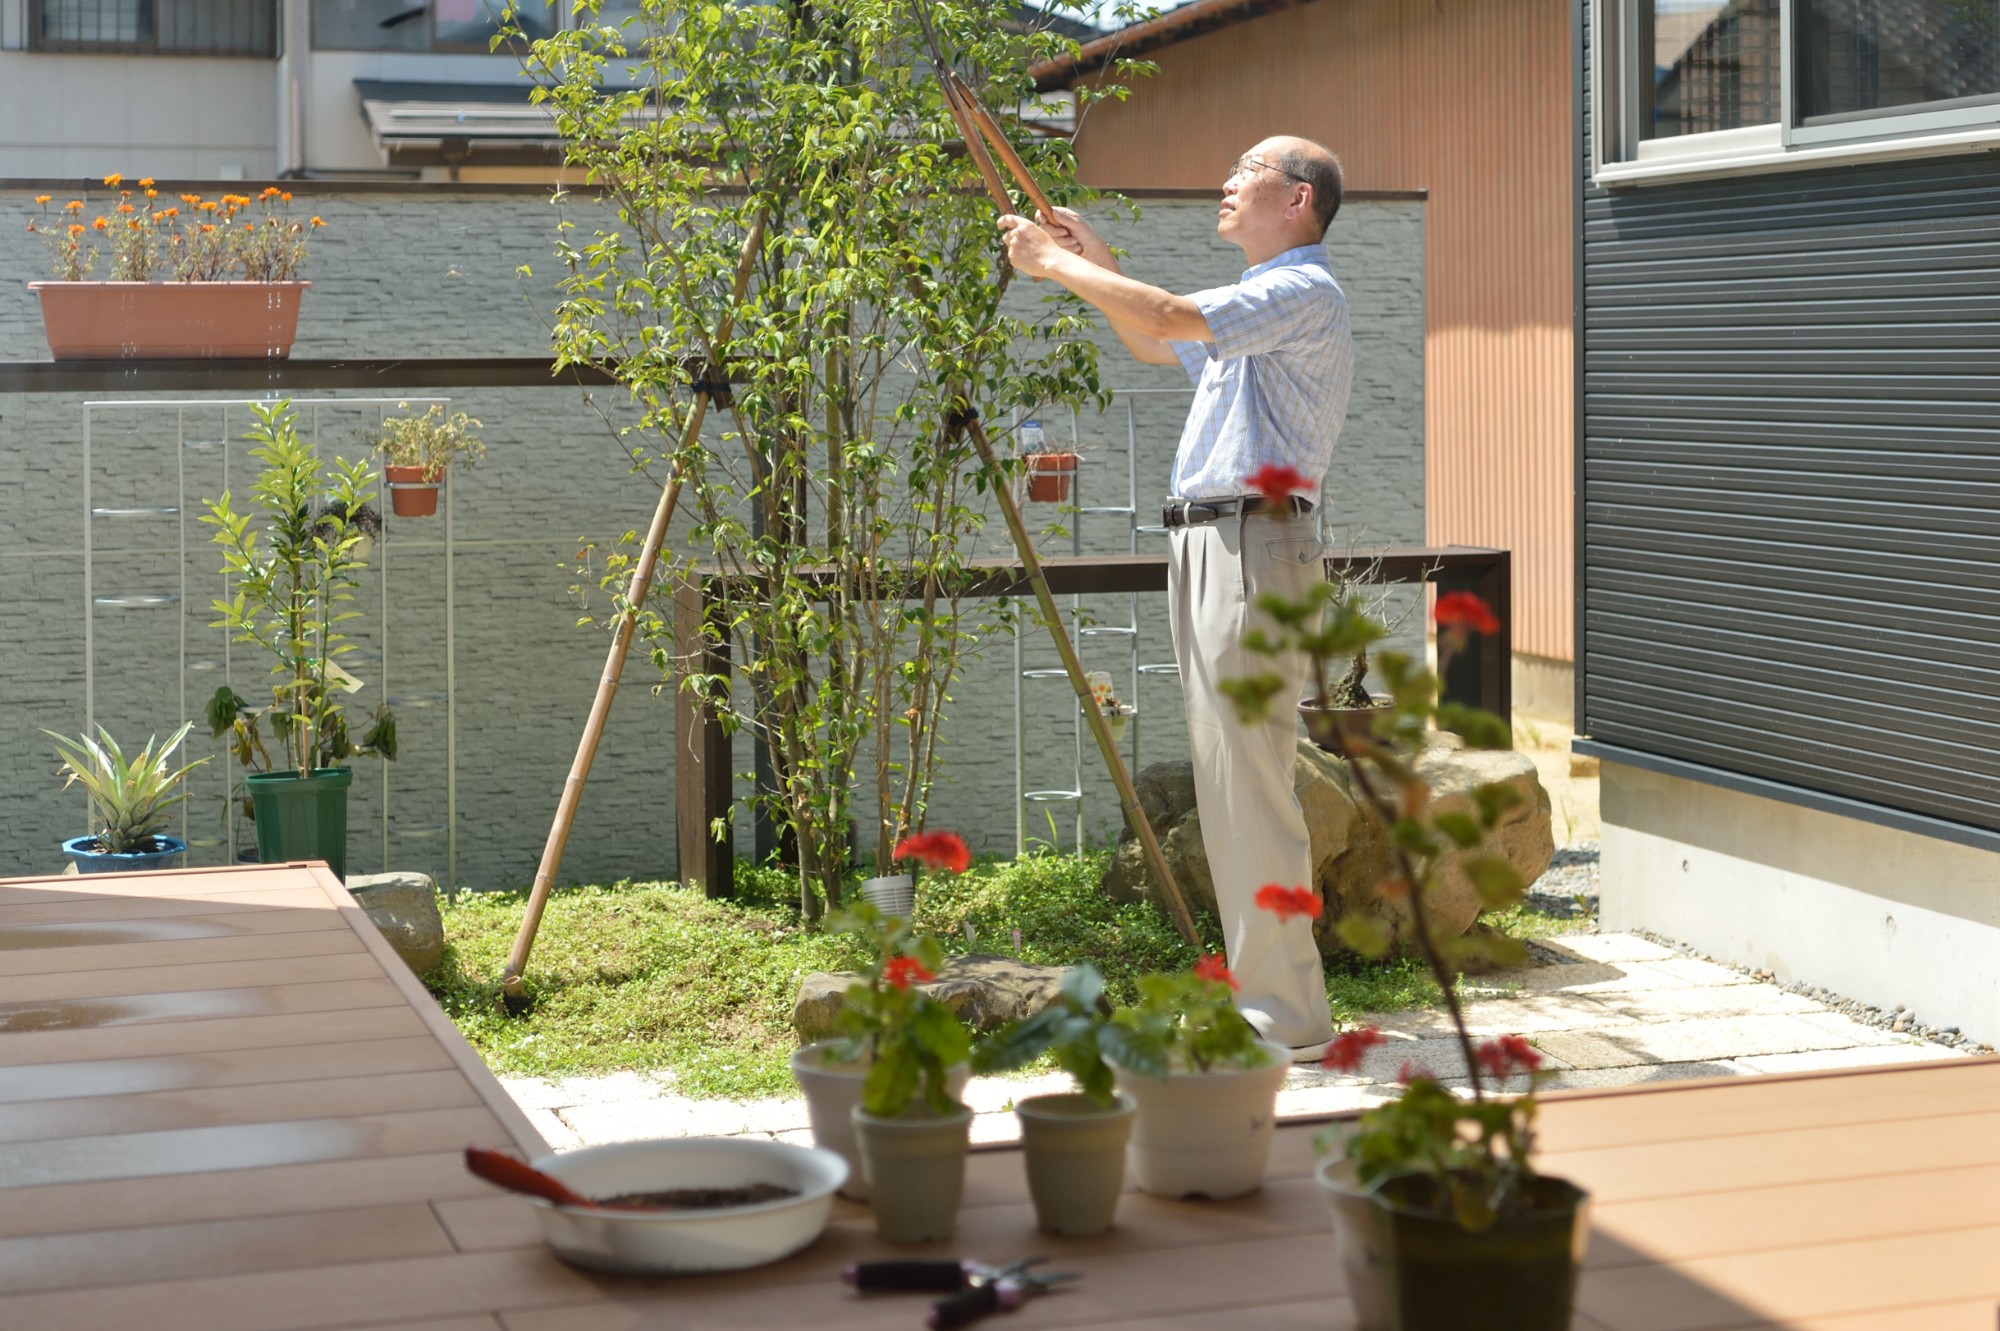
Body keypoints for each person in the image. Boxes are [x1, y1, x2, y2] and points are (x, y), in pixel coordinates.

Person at [999, 136, 1354, 1061]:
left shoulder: (1304, 289)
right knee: (1228, 782)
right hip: (1215, 541)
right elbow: (1158, 338)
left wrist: (1064, 265)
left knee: (1251, 780)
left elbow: (1166, 312)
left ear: (1299, 196)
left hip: (1251, 539)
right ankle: (1266, 1002)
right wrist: (1098, 264)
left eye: (1248, 171)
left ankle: (1288, 1014)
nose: (1226, 180)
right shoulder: (1257, 311)